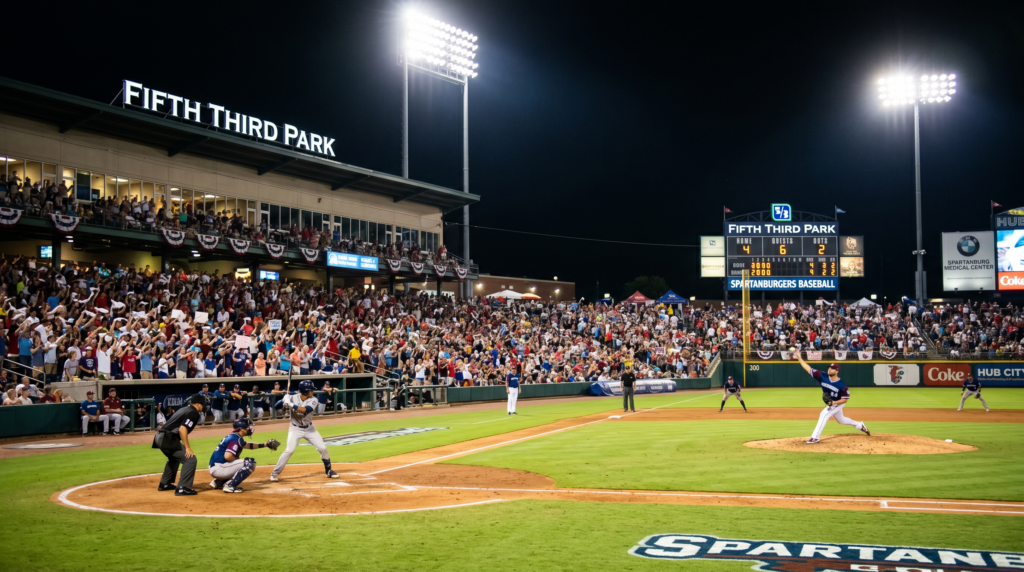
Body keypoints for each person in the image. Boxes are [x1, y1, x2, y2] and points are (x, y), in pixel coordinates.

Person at [269, 380, 340, 482]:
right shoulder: (292, 397)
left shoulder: (314, 400)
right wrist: (284, 401)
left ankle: (328, 471)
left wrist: (291, 405)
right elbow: (276, 406)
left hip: (310, 429)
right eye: (311, 390)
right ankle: (274, 474)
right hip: (295, 429)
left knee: (322, 448)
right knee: (289, 450)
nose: (313, 391)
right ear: (306, 391)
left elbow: (305, 410)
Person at [795, 355, 869, 444]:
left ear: (837, 371)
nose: (829, 369)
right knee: (841, 420)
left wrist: (833, 402)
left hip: (838, 402)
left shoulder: (842, 385)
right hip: (832, 402)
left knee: (824, 414)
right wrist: (799, 358)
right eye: (829, 368)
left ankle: (815, 437)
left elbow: (845, 400)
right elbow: (808, 369)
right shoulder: (822, 376)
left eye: (832, 368)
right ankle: (860, 425)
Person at [207, 418, 279, 493]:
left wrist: (265, 444)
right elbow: (228, 456)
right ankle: (229, 486)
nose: (250, 429)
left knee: (239, 463)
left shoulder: (235, 436)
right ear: (242, 429)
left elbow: (248, 445)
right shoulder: (235, 439)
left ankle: (218, 482)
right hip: (219, 468)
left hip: (217, 467)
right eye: (248, 427)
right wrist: (237, 460)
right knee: (250, 463)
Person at [153, 394, 206, 496]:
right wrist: (187, 448)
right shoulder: (194, 413)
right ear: (198, 404)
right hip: (167, 438)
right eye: (203, 404)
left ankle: (165, 484)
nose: (204, 406)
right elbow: (183, 429)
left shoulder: (185, 409)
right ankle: (182, 488)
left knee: (174, 458)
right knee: (190, 459)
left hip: (159, 437)